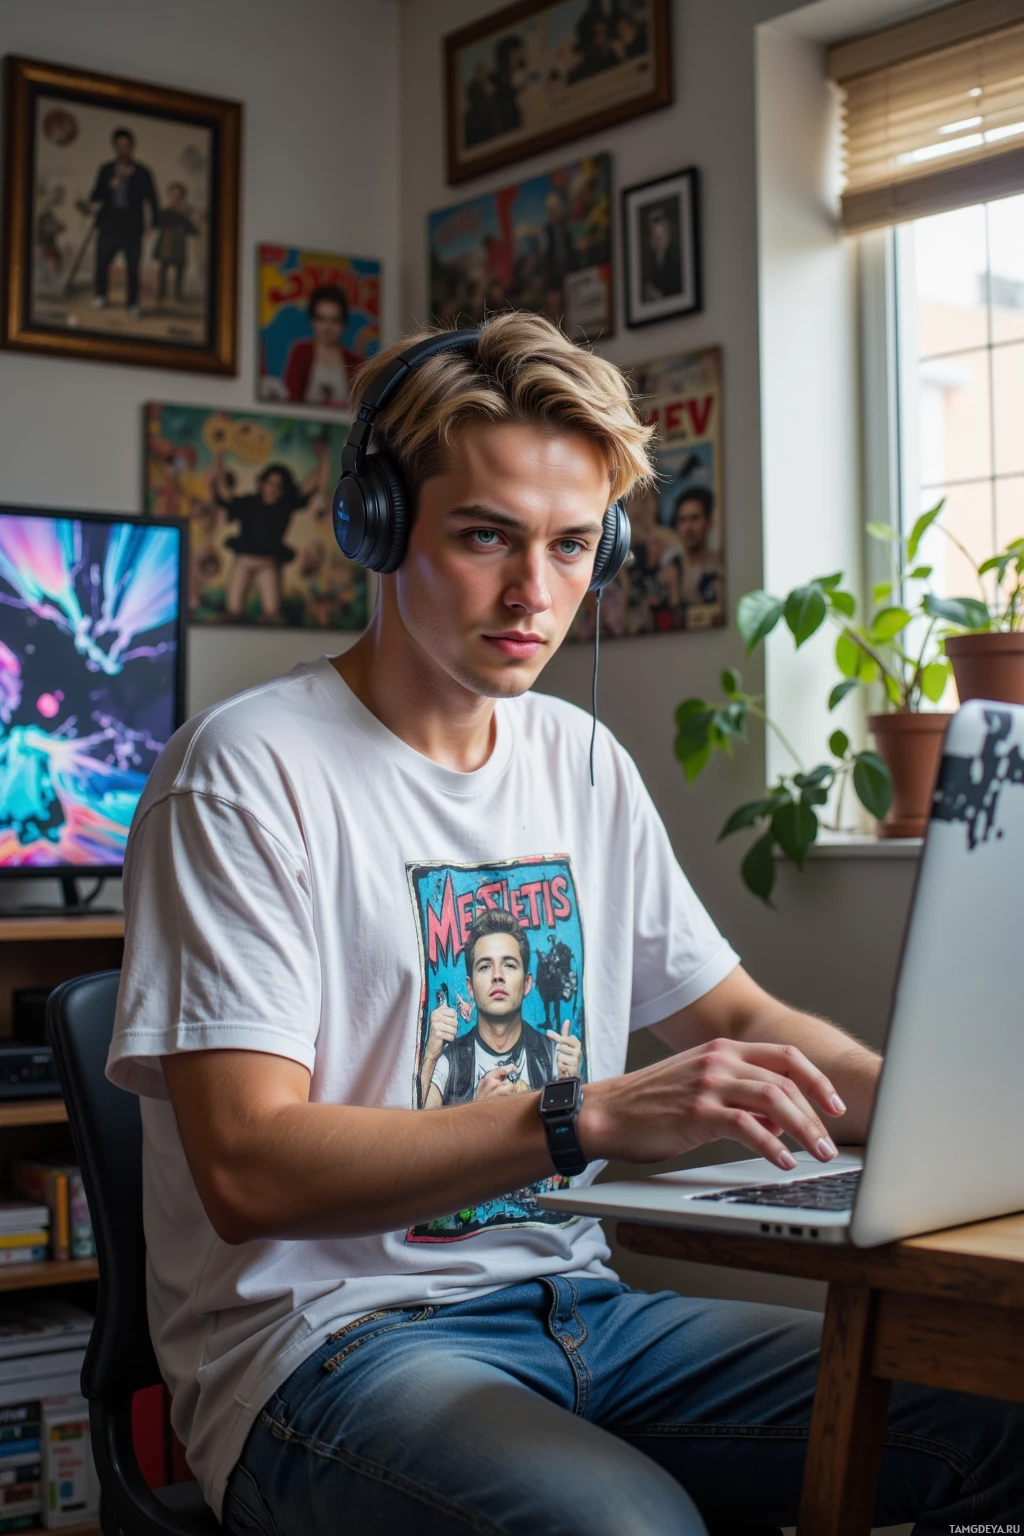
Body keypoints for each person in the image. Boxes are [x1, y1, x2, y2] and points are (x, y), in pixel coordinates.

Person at [109, 311, 1024, 1535]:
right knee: (622, 1528)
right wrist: (580, 1115)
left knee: (999, 1411)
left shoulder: (577, 759)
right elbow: (245, 1167)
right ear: (374, 528)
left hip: (584, 1309)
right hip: (320, 1355)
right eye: (485, 537)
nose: (534, 595)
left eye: (573, 546)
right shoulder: (242, 774)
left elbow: (737, 1014)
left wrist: (936, 1111)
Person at [419, 910, 581, 1109]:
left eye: (509, 965)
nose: (497, 976)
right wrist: (430, 1058)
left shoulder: (554, 1057)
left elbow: (570, 1136)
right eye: (485, 966)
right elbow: (418, 1135)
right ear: (470, 987)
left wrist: (570, 1085)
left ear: (527, 983)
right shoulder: (448, 1062)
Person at [211, 445, 329, 622]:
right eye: (270, 484)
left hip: (267, 564)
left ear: (283, 489)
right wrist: (218, 454)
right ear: (262, 483)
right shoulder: (248, 503)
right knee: (233, 610)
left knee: (273, 613)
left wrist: (324, 457)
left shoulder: (284, 506)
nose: (272, 489)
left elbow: (312, 485)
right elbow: (223, 491)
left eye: (278, 486)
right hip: (244, 561)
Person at [83, 126, 158, 319]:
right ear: (114, 148)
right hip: (109, 223)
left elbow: (153, 199)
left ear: (132, 147)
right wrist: (109, 187)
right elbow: (95, 195)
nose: (123, 150)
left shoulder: (142, 172)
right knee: (102, 262)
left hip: (132, 226)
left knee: (133, 266)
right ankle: (101, 296)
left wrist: (153, 224)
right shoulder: (106, 170)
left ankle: (132, 303)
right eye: (119, 146)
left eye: (127, 146)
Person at [281, 284, 363, 408]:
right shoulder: (300, 352)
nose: (327, 327)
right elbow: (290, 399)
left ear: (343, 323)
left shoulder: (355, 361)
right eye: (321, 319)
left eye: (334, 320)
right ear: (313, 321)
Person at [660, 483, 723, 612]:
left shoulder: (720, 565)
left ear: (709, 521)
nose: (688, 528)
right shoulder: (670, 566)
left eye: (695, 518)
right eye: (682, 520)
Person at [152, 182, 198, 303]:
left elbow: (193, 230)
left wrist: (187, 215)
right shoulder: (165, 211)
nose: (175, 197)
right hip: (167, 243)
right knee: (163, 269)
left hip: (179, 244)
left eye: (178, 195)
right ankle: (161, 295)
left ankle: (178, 295)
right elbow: (157, 224)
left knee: (180, 270)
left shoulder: (184, 213)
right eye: (173, 194)